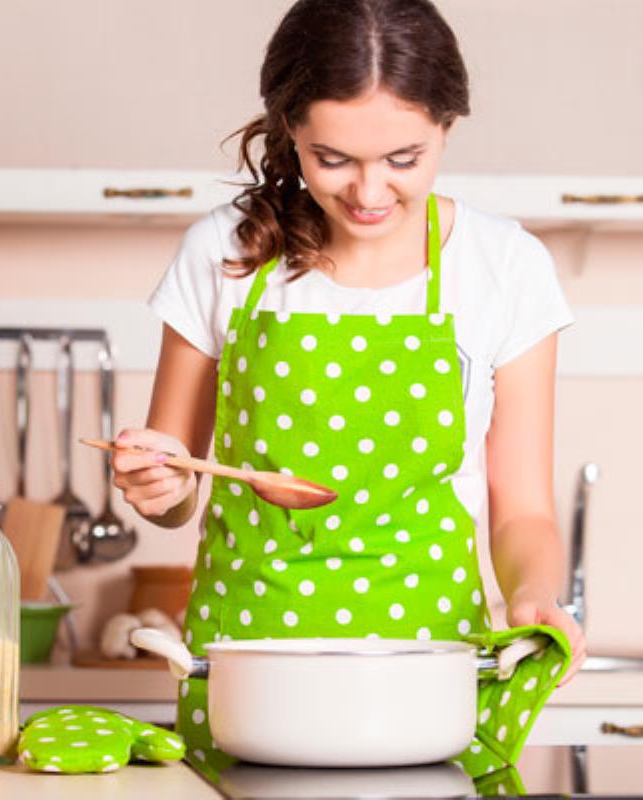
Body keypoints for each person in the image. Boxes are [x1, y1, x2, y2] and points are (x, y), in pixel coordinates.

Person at [109, 0, 587, 768]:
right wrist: (155, 484)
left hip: (424, 680)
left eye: (404, 158)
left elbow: (522, 509)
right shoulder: (223, 252)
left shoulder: (505, 267)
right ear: (289, 129)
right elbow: (177, 487)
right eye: (333, 158)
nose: (369, 191)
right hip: (246, 674)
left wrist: (533, 593)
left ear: (447, 129)